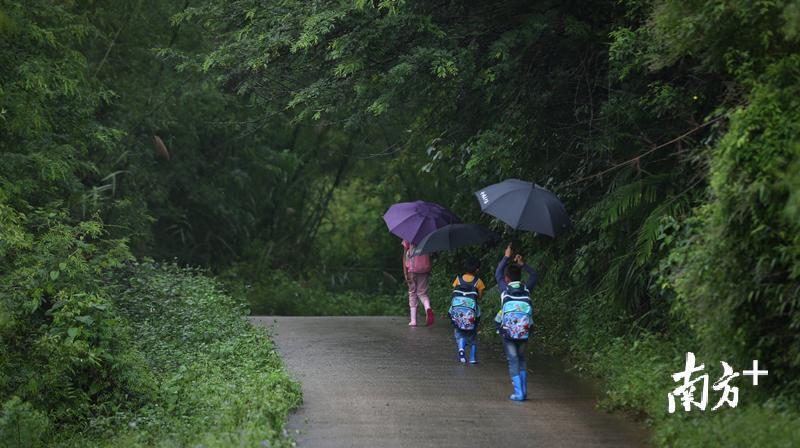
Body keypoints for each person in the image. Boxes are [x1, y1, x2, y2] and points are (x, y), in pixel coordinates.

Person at [495, 244, 538, 401]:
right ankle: (524, 391)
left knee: (513, 360)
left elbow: (498, 273)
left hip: (508, 332)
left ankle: (519, 393)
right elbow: (534, 275)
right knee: (521, 358)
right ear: (520, 278)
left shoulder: (504, 290)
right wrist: (523, 264)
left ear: (507, 279)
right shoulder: (526, 289)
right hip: (524, 331)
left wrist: (506, 256)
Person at [451, 257, 486, 363]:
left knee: (459, 332)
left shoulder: (458, 279)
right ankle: (472, 358)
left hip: (458, 312)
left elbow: (454, 293)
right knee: (472, 334)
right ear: (477, 270)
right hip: (471, 313)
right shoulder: (478, 282)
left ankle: (461, 348)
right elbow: (479, 297)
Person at [402, 239, 434, 326]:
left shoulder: (408, 236)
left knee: (412, 293)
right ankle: (428, 307)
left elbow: (404, 256)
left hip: (412, 269)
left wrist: (405, 272)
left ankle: (413, 321)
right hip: (424, 269)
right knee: (422, 293)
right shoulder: (428, 235)